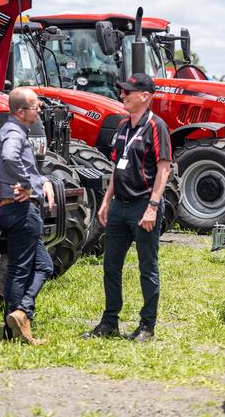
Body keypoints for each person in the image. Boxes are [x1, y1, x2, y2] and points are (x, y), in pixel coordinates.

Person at [85, 73, 171, 342]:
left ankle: (147, 326)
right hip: (120, 207)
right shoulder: (123, 126)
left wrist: (152, 207)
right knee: (111, 265)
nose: (122, 96)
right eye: (122, 91)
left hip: (143, 206)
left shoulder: (157, 127)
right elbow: (117, 166)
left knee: (148, 267)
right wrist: (106, 200)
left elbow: (163, 169)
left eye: (128, 92)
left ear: (145, 96)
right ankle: (109, 322)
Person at [0, 88, 55, 345]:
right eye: (35, 106)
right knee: (20, 269)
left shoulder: (14, 132)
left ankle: (19, 315)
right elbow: (9, 157)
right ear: (20, 111)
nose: (39, 110)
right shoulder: (13, 133)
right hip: (21, 209)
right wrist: (29, 183)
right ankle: (19, 320)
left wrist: (38, 182)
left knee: (44, 265)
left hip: (13, 209)